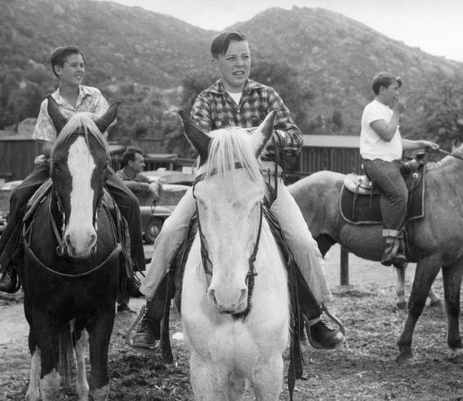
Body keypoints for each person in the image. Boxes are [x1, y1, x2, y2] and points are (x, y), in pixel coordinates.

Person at [132, 31, 345, 351]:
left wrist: (269, 139)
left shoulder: (267, 96)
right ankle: (153, 312)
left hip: (264, 183)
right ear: (216, 62)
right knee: (170, 232)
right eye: (232, 58)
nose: (240, 63)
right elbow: (202, 136)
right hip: (215, 184)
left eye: (245, 56)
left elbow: (295, 137)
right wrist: (246, 136)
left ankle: (315, 315)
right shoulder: (206, 99)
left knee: (303, 241)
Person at [0, 45, 146, 293]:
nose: (80, 69)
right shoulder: (50, 104)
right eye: (74, 65)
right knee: (19, 196)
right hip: (57, 165)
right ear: (58, 69)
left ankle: (133, 269)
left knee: (130, 202)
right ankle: (9, 264)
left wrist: (84, 157)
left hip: (92, 166)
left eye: (82, 65)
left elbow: (101, 133)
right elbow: (45, 145)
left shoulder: (95, 97)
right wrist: (67, 157)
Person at [360, 72, 439, 266]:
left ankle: (407, 237)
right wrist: (397, 112)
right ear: (382, 89)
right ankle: (391, 246)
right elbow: (387, 135)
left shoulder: (386, 111)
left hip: (392, 162)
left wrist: (422, 143)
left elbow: (396, 141)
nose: (398, 93)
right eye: (395, 89)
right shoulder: (372, 110)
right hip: (377, 163)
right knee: (398, 194)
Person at [115, 146, 162, 311]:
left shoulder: (138, 176)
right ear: (130, 163)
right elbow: (123, 184)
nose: (143, 164)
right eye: (140, 161)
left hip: (132, 227)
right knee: (120, 262)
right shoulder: (117, 177)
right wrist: (146, 186)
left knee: (128, 260)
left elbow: (155, 180)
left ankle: (123, 301)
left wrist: (154, 185)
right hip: (117, 227)